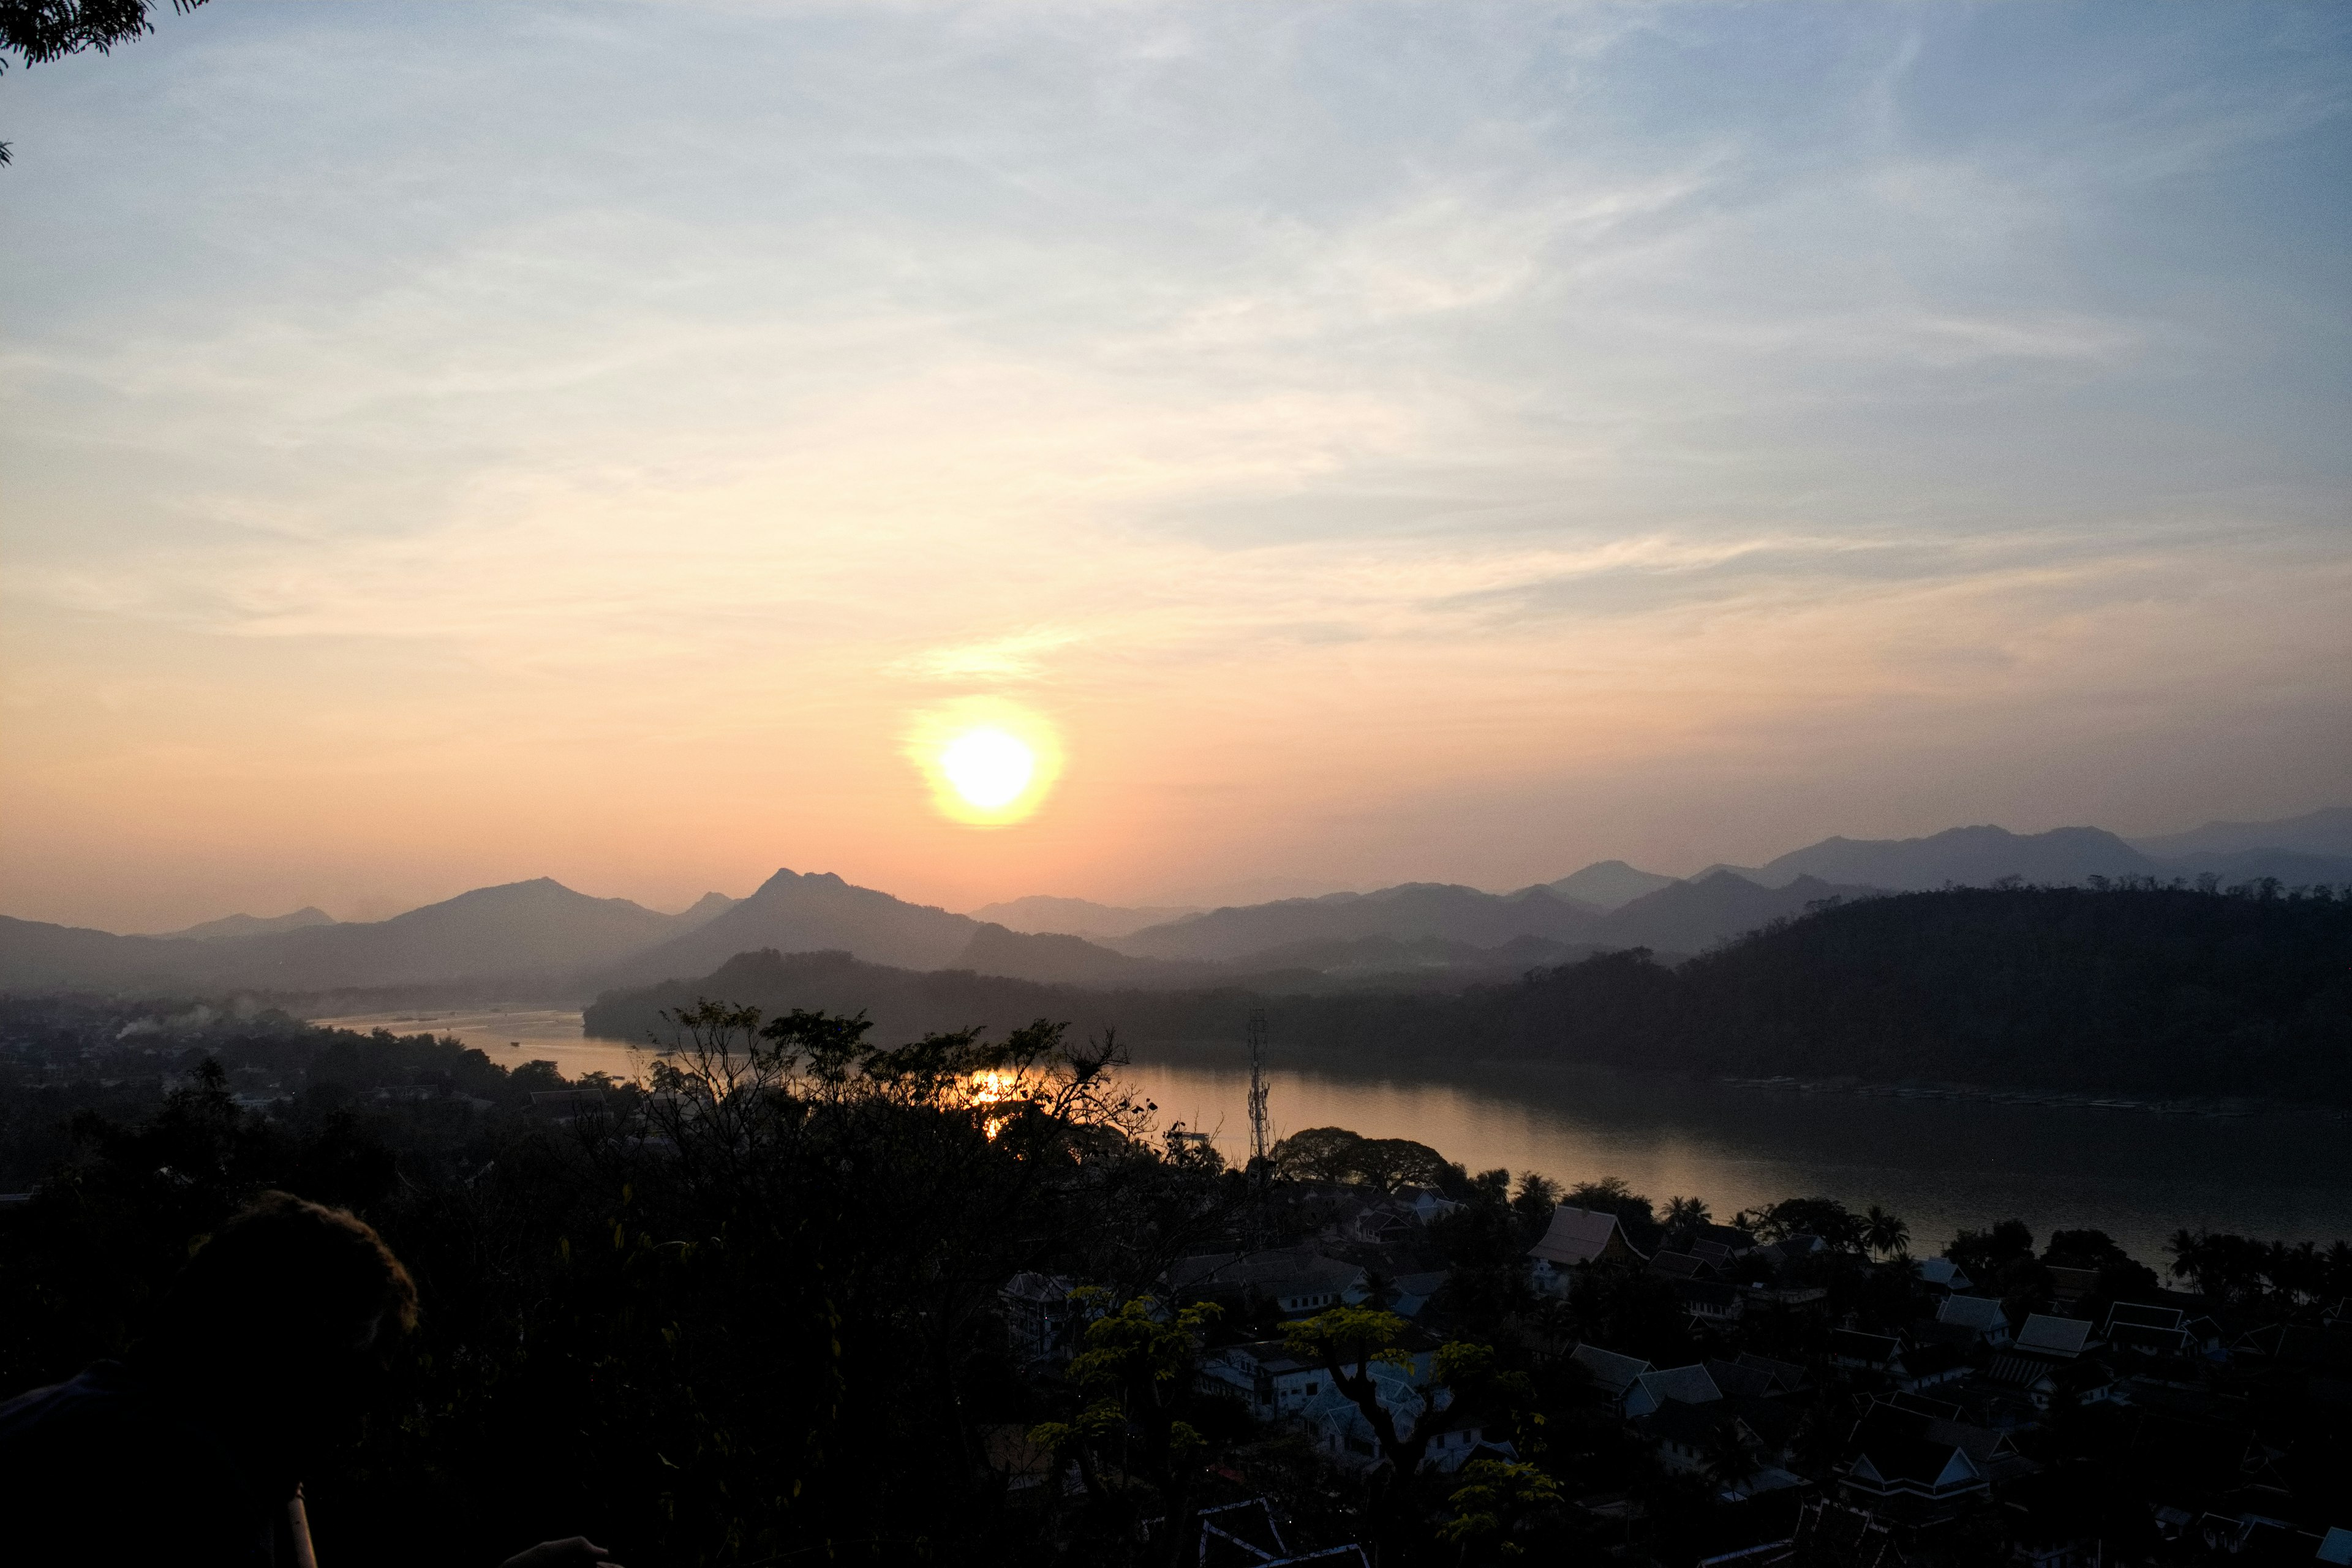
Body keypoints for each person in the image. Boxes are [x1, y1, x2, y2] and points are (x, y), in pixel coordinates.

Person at [0, 1190, 622, 1567]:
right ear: (288, 1365)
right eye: (354, 1386)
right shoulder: (180, 1489)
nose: (353, 1425)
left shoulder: (59, 1414)